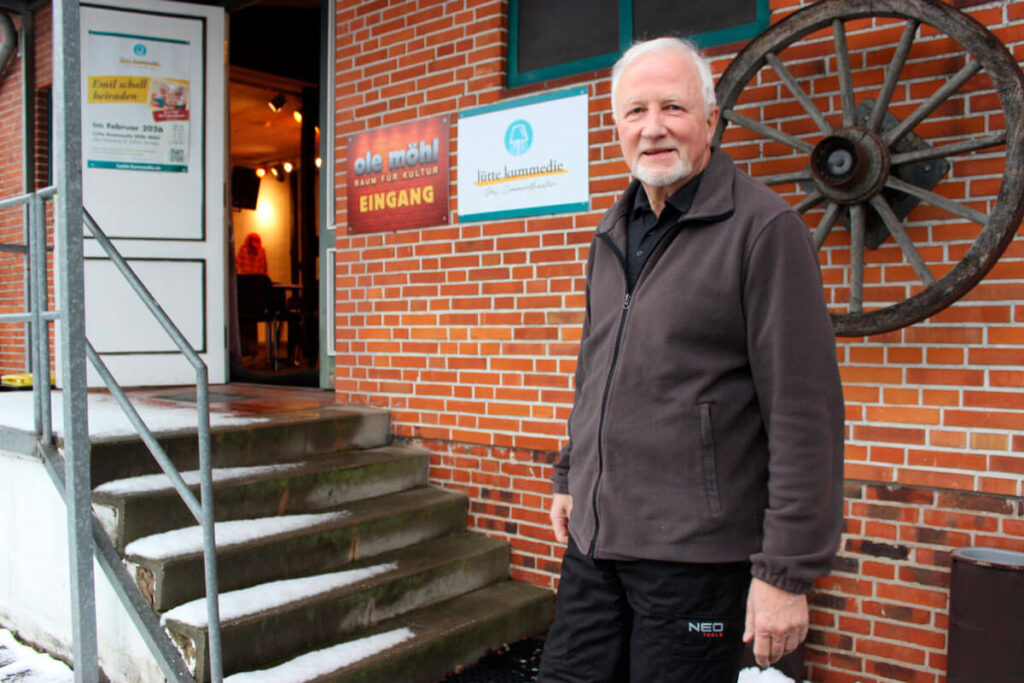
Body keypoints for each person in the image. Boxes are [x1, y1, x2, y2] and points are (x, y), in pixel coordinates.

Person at [537, 37, 845, 683]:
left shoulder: (764, 229)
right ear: (615, 126)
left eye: (673, 107)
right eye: (635, 111)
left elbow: (804, 412)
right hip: (596, 544)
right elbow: (596, 368)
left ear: (711, 119)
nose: (653, 128)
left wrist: (784, 573)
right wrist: (571, 472)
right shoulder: (611, 231)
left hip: (696, 560)